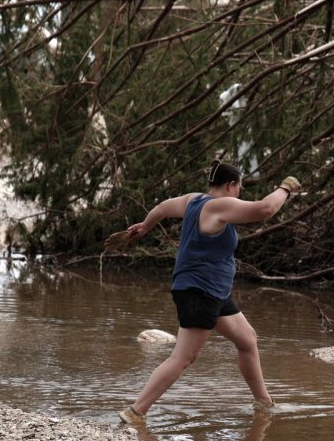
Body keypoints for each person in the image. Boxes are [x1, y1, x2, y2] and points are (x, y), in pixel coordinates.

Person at [116, 160, 301, 425]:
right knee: (183, 357)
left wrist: (146, 225)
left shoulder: (193, 200)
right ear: (230, 185)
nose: (239, 193)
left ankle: (264, 403)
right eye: (239, 187)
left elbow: (162, 207)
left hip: (214, 291)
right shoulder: (218, 205)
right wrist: (286, 188)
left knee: (247, 339)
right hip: (200, 291)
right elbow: (265, 209)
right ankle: (135, 411)